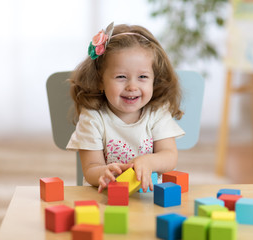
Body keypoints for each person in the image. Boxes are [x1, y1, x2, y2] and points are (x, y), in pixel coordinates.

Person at [66, 22, 185, 193]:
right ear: (100, 80)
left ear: (154, 80)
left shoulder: (157, 113)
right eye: (121, 76)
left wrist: (149, 161)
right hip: (107, 197)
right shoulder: (93, 118)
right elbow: (91, 168)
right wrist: (103, 172)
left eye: (143, 76)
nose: (132, 86)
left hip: (149, 197)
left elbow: (170, 156)